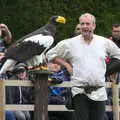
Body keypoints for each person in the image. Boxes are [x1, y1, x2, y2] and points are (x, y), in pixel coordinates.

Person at [46, 13, 120, 120]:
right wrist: (66, 65)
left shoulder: (104, 42)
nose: (85, 26)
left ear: (94, 26)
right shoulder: (70, 44)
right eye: (82, 24)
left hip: (99, 92)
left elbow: (118, 55)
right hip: (80, 91)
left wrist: (107, 70)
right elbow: (50, 54)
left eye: (88, 24)